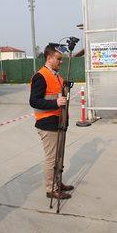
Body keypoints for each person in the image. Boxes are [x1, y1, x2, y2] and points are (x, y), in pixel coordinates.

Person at [29, 44, 75, 200]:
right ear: (49, 58)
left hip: (60, 122)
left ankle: (58, 182)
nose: (61, 62)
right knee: (52, 158)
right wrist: (55, 103)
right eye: (58, 58)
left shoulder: (58, 76)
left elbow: (61, 96)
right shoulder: (40, 76)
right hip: (47, 124)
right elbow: (34, 101)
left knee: (59, 157)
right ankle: (51, 189)